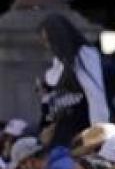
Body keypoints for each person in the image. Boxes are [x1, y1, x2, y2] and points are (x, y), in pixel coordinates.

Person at [38, 14, 109, 148]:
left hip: (80, 129)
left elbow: (95, 95)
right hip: (59, 132)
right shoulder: (58, 62)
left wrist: (98, 134)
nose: (48, 46)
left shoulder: (84, 54)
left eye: (49, 41)